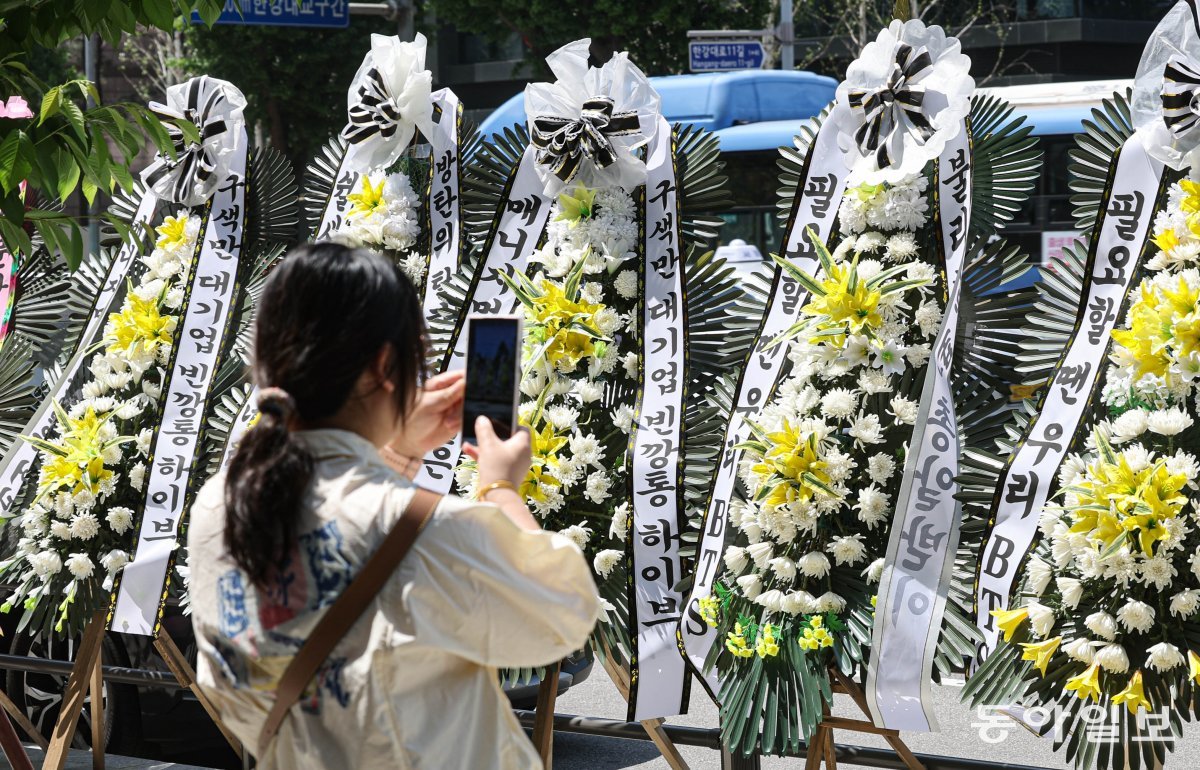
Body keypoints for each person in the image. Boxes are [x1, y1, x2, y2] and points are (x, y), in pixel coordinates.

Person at [187, 242, 600, 770]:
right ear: (385, 365)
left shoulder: (218, 508)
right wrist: (500, 489)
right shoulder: (423, 526)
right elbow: (562, 614)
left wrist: (397, 452)